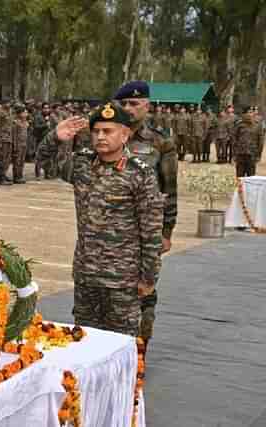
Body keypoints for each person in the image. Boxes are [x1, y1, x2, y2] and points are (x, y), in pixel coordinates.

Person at [53, 103, 164, 337]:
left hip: (122, 279)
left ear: (125, 135)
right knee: (84, 340)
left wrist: (148, 277)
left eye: (108, 131)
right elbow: (48, 163)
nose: (100, 136)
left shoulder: (140, 173)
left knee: (121, 343)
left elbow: (151, 230)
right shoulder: (83, 164)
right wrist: (55, 137)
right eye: (96, 131)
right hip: (87, 274)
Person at [113, 80, 178, 346]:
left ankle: (140, 350)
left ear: (147, 106)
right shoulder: (108, 135)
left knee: (144, 293)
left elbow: (170, 189)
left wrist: (166, 231)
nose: (128, 108)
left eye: (134, 103)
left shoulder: (160, 142)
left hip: (145, 234)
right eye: (124, 103)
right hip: (111, 231)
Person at [234, 106, 260, 177]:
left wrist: (258, 155)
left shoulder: (258, 125)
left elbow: (260, 141)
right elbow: (234, 139)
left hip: (252, 154)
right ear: (244, 114)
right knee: (240, 177)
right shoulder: (239, 124)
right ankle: (240, 188)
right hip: (240, 154)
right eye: (249, 112)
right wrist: (235, 154)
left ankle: (250, 188)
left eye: (252, 112)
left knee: (251, 177)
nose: (251, 114)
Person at [11, 105, 29, 184]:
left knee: (22, 160)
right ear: (19, 114)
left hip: (24, 143)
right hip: (18, 144)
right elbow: (14, 135)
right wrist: (14, 145)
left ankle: (20, 175)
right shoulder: (16, 123)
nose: (26, 113)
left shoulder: (26, 123)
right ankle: (16, 176)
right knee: (17, 161)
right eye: (24, 112)